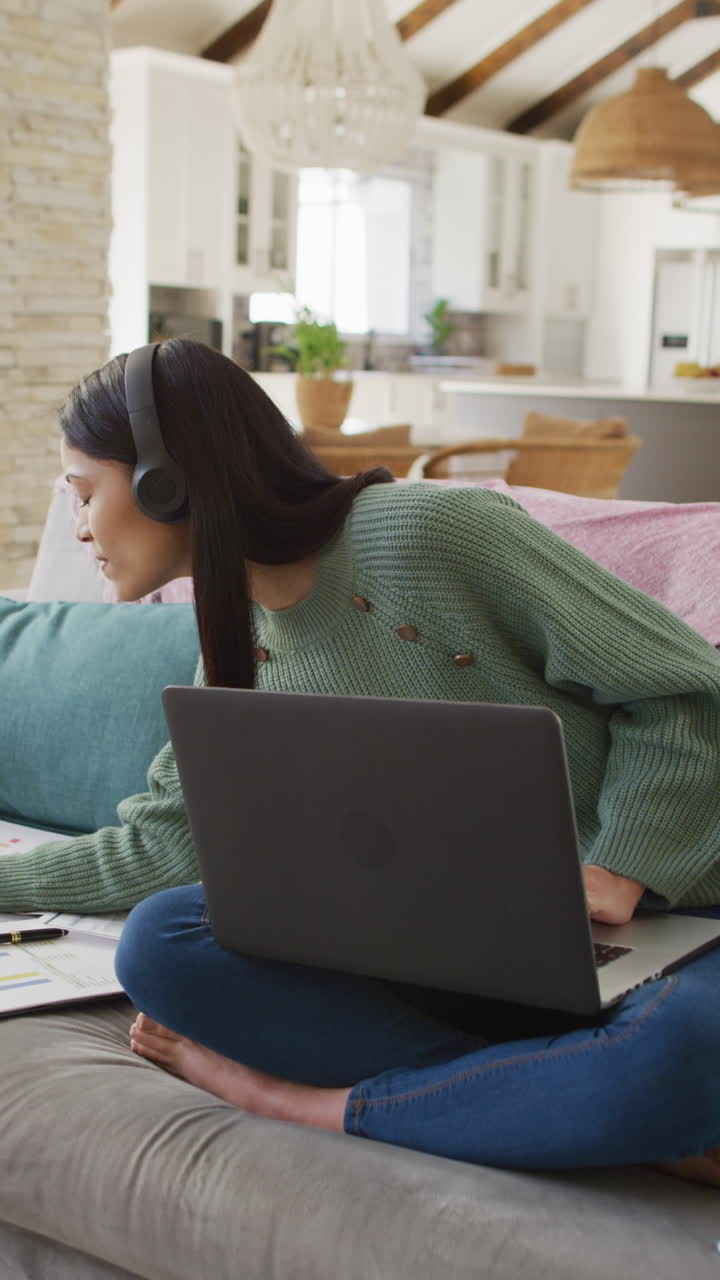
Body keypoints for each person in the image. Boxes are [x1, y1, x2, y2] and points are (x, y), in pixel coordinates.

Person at [2, 338, 719, 1187]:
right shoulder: (233, 638)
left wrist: (623, 864)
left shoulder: (432, 533)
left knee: (680, 1052)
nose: (80, 527)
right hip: (453, 949)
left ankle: (313, 1102)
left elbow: (686, 692)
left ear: (168, 479)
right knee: (163, 945)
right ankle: (562, 1099)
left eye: (85, 492)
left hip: (669, 930)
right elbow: (164, 844)